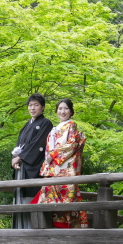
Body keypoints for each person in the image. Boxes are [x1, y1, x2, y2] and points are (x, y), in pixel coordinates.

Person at [33, 98, 88, 228]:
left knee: (66, 197)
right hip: (54, 167)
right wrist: (49, 158)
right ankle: (52, 227)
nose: (63, 111)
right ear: (56, 111)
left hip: (64, 167)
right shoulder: (55, 128)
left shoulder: (71, 125)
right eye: (60, 109)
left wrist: (53, 155)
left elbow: (72, 145)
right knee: (49, 196)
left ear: (71, 111)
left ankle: (68, 228)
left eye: (66, 108)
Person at [11, 94, 52, 229]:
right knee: (19, 198)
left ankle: (32, 230)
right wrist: (14, 159)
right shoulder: (26, 125)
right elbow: (18, 145)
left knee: (31, 198)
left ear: (43, 107)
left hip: (34, 167)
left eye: (36, 105)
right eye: (30, 105)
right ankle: (19, 231)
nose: (32, 108)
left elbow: (38, 144)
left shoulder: (46, 123)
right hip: (21, 167)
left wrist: (21, 157)